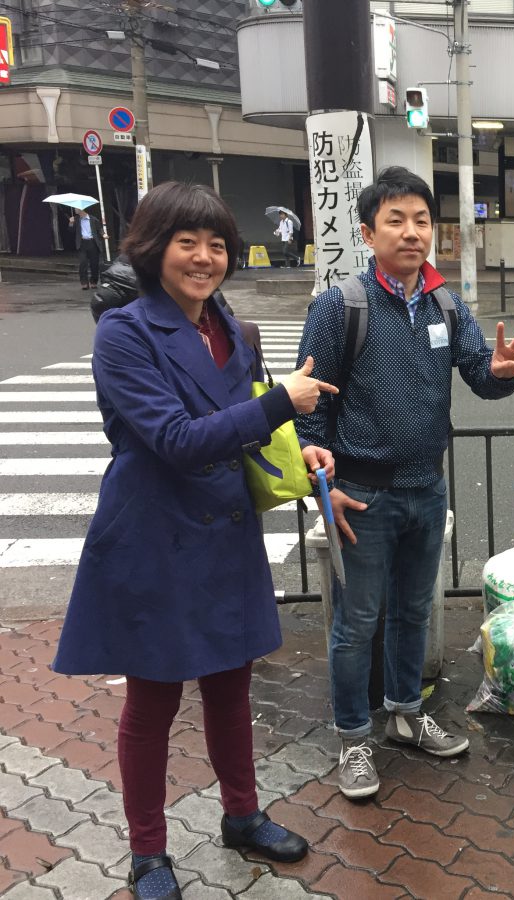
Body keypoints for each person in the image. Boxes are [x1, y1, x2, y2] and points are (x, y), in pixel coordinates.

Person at [53, 182, 336, 900]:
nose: (205, 258)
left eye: (217, 245)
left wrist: (296, 449)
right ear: (155, 248)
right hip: (155, 534)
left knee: (231, 688)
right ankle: (148, 853)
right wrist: (282, 403)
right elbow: (176, 440)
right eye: (188, 243)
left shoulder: (229, 326)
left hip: (226, 530)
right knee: (152, 701)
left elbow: (247, 422)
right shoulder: (124, 333)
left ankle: (242, 815)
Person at [294, 166, 514, 800]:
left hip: (428, 489)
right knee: (356, 622)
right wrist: (322, 488)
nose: (411, 232)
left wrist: (503, 372)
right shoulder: (342, 305)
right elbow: (308, 403)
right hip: (361, 494)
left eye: (421, 220)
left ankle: (405, 714)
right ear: (368, 233)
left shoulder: (444, 303)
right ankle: (353, 737)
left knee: (413, 611)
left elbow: (479, 373)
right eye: (395, 220)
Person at [70, 208, 102, 289]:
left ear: (81, 209)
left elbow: (99, 229)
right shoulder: (76, 219)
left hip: (92, 243)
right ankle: (84, 282)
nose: (75, 210)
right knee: (83, 263)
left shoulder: (93, 219)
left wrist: (104, 234)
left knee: (94, 264)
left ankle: (93, 281)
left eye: (76, 208)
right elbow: (71, 231)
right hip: (82, 243)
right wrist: (71, 223)